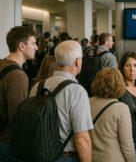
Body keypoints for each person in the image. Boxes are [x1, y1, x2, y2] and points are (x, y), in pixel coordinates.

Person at [30, 40, 93, 162]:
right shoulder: (76, 91)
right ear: (77, 61)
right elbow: (82, 139)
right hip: (65, 156)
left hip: (37, 154)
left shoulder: (37, 87)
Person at [0, 26, 38, 161]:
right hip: (6, 141)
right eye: (33, 43)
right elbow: (17, 117)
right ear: (22, 46)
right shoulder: (18, 76)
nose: (37, 47)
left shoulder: (2, 64)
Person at [89, 67, 136, 162]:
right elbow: (127, 145)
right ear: (119, 84)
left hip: (90, 157)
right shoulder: (121, 108)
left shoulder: (86, 103)